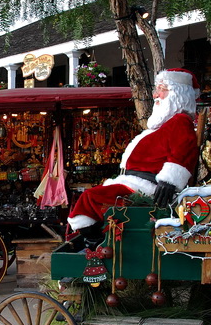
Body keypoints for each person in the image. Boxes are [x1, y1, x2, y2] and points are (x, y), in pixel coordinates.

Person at [66, 69, 200, 248]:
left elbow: (184, 150)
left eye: (161, 89)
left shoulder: (180, 121)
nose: (155, 95)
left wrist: (170, 181)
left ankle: (96, 242)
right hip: (133, 181)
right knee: (90, 199)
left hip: (146, 186)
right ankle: (96, 241)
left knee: (91, 198)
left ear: (177, 94)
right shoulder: (163, 126)